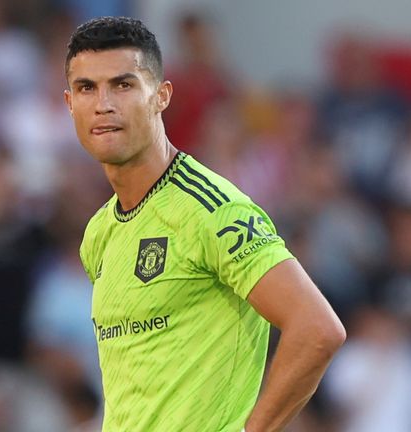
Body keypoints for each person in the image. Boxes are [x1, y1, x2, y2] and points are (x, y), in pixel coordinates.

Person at [64, 17, 345, 431]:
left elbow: (317, 329)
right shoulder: (99, 233)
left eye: (123, 85)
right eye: (87, 88)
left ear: (161, 96)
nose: (103, 103)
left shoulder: (212, 209)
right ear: (70, 103)